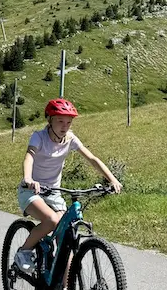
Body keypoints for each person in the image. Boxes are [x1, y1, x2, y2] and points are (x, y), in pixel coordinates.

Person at [14, 97, 122, 274]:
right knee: (52, 220)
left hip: (54, 194)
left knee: (66, 238)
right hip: (31, 191)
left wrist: (112, 179)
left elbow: (92, 159)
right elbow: (29, 157)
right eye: (60, 121)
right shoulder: (39, 137)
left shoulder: (70, 139)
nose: (65, 126)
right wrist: (28, 178)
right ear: (50, 120)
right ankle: (24, 252)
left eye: (69, 122)